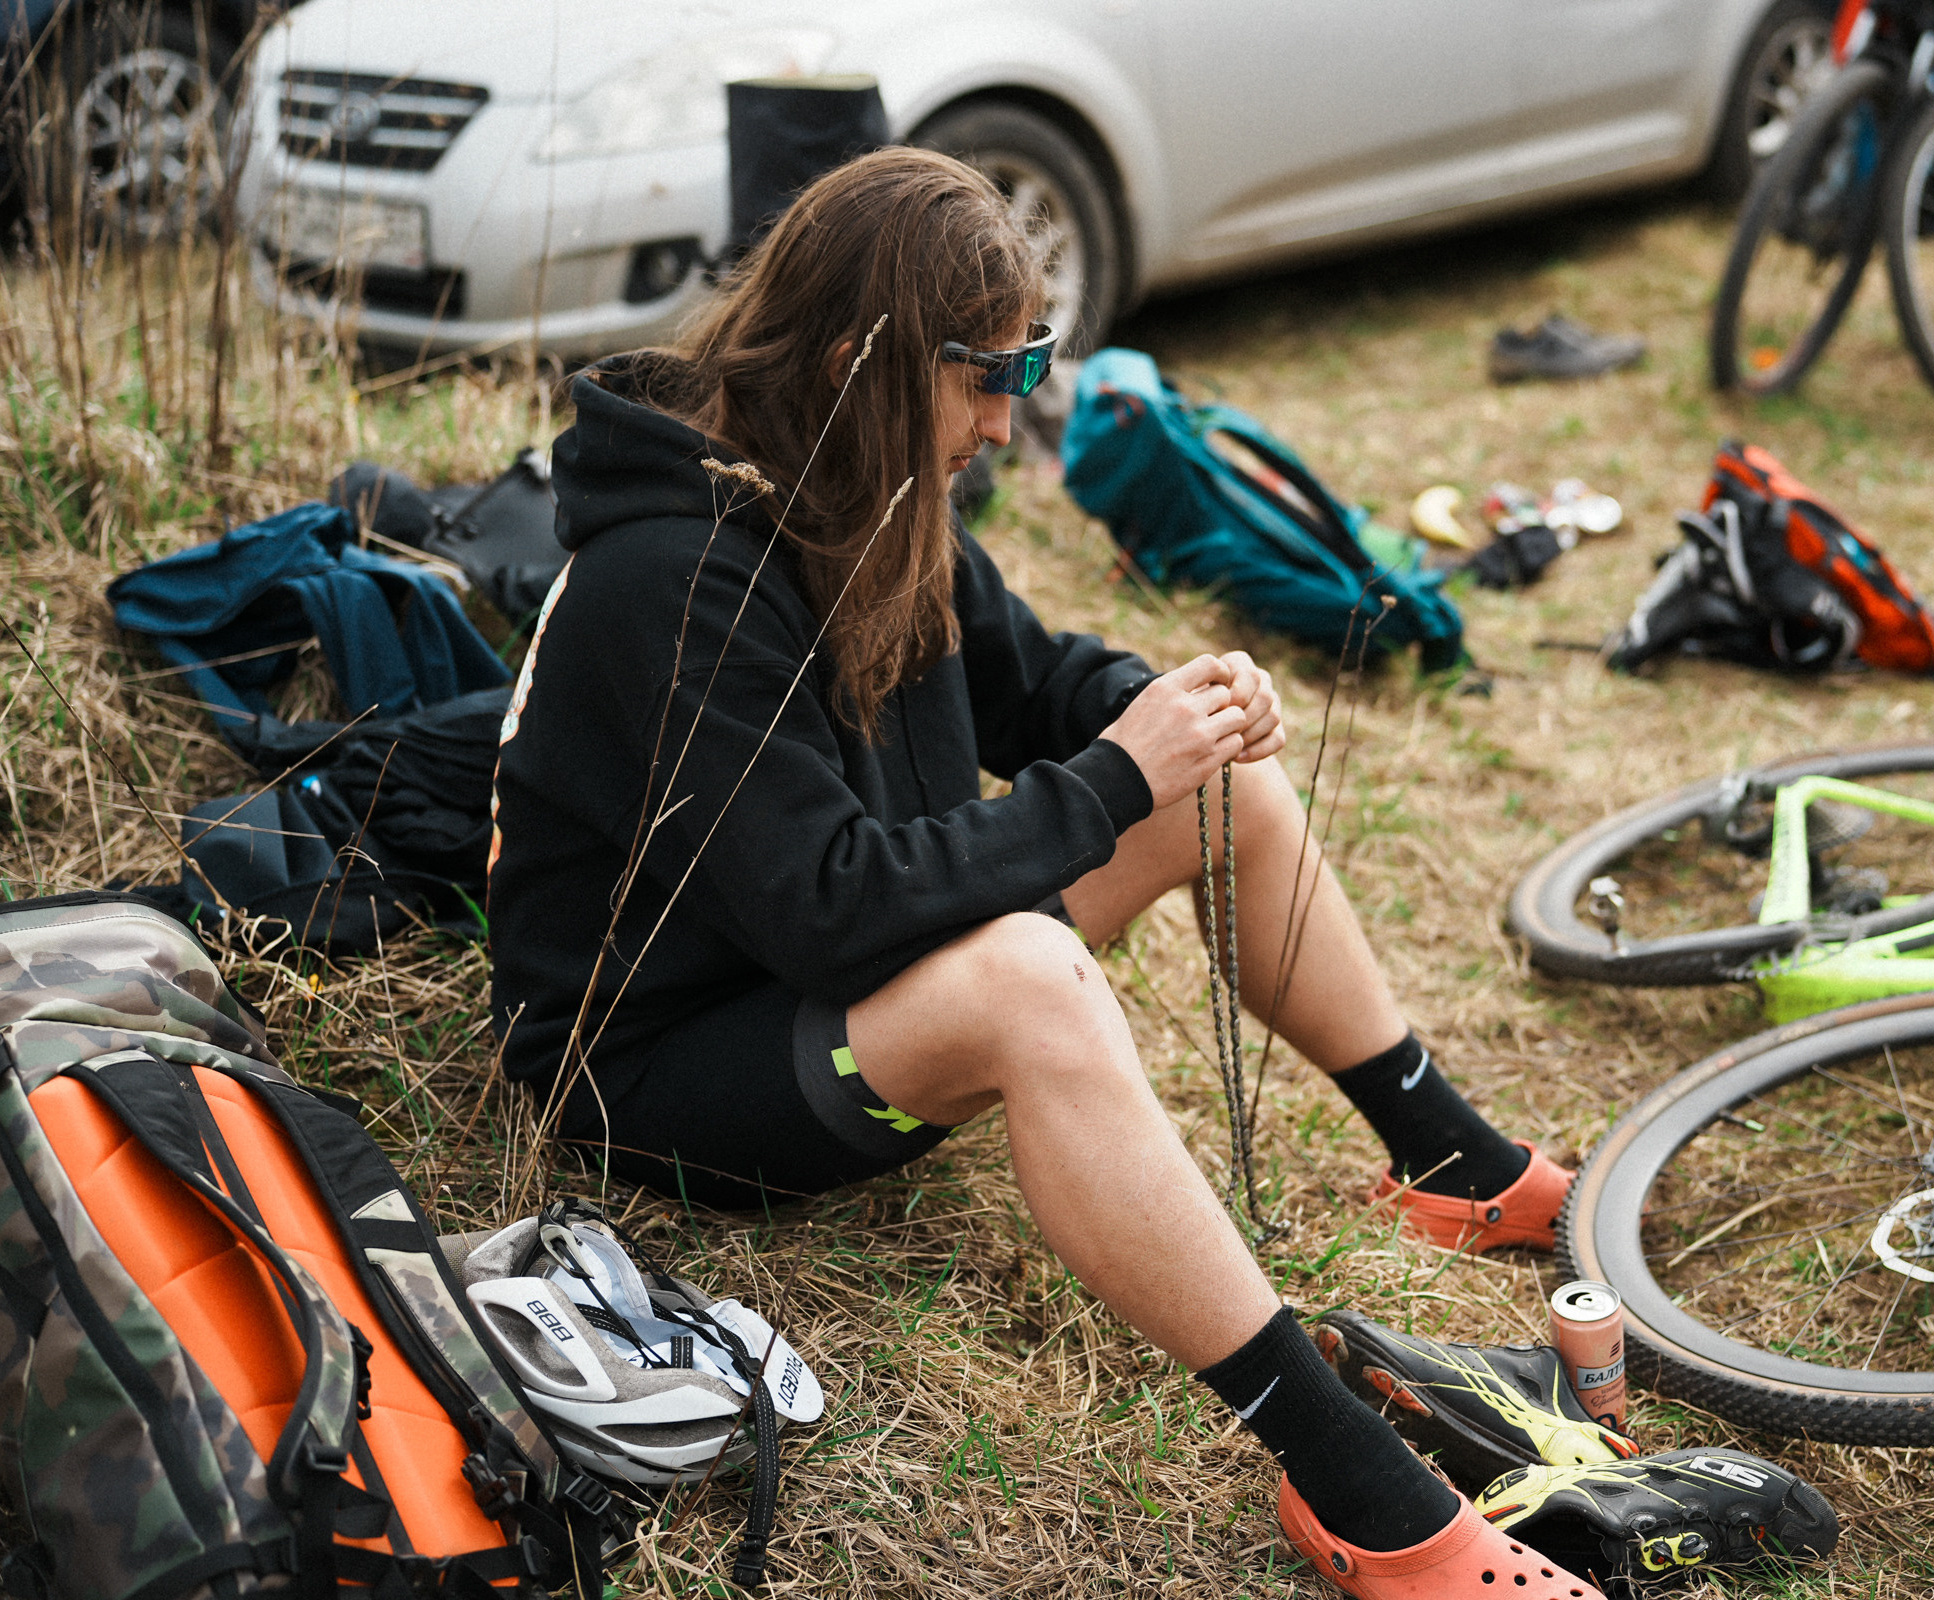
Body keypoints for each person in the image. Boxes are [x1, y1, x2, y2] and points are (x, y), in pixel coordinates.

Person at [483, 148, 1588, 1597]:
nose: (1011, 422)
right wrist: (1117, 775)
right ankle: (1355, 1488)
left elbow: (1035, 683)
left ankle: (1453, 1166)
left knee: (1219, 782)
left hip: (833, 982)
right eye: (989, 378)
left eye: (1033, 370)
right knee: (1031, 981)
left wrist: (1170, 708)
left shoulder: (868, 480)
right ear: (856, 362)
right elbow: (828, 907)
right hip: (661, 1070)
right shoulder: (669, 578)